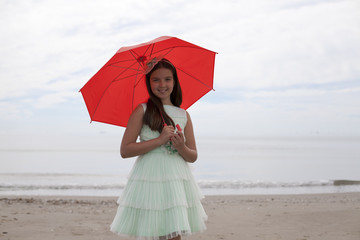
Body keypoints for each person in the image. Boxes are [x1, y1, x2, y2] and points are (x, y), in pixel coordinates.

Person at [110, 58, 207, 240]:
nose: (162, 84)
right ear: (149, 82)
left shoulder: (183, 115)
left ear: (175, 82)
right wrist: (159, 140)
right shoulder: (142, 110)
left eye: (167, 79)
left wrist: (181, 147)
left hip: (175, 179)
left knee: (174, 232)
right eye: (156, 79)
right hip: (150, 178)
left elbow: (193, 156)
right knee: (151, 230)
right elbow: (125, 150)